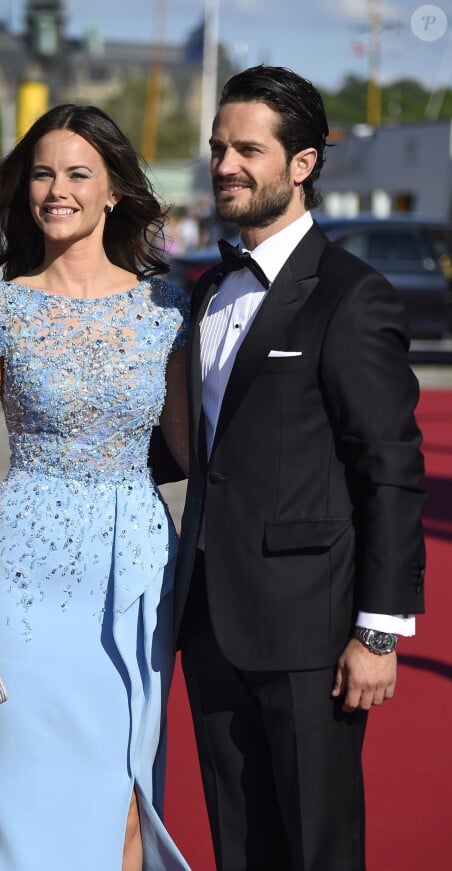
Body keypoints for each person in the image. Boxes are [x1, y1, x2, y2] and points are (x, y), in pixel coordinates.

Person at [174, 65, 426, 871]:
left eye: (248, 148)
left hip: (311, 632)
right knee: (239, 844)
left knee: (318, 847)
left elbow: (389, 469)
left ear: (303, 163)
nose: (225, 165)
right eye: (218, 148)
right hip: (210, 620)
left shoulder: (354, 297)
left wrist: (378, 632)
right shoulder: (207, 289)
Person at [0, 102, 191, 871]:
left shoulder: (167, 308)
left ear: (114, 189)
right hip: (23, 571)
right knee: (21, 791)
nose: (58, 189)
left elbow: (195, 449)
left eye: (79, 173)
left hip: (139, 567)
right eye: (44, 173)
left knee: (126, 796)